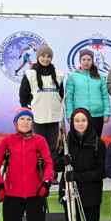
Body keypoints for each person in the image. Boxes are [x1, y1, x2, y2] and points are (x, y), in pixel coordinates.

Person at [56, 108, 107, 221]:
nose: (80, 123)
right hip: (69, 192)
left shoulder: (98, 143)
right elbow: (54, 165)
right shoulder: (65, 141)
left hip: (91, 193)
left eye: (83, 120)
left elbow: (102, 171)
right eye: (76, 120)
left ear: (89, 121)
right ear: (72, 122)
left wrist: (78, 176)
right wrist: (63, 161)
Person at [19, 44, 65, 175]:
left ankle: (51, 173)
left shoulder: (58, 75)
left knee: (52, 146)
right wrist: (28, 111)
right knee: (38, 146)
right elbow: (23, 95)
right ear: (38, 57)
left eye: (48, 56)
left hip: (53, 116)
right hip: (38, 116)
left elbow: (61, 96)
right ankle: (38, 172)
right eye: (43, 56)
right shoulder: (30, 74)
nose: (46, 59)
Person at [65, 48, 111, 138]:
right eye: (84, 59)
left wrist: (106, 113)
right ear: (80, 60)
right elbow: (69, 98)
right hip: (80, 116)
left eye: (89, 59)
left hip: (97, 115)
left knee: (96, 141)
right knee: (81, 142)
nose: (86, 62)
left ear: (92, 61)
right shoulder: (73, 77)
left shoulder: (100, 76)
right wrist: (70, 115)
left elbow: (105, 95)